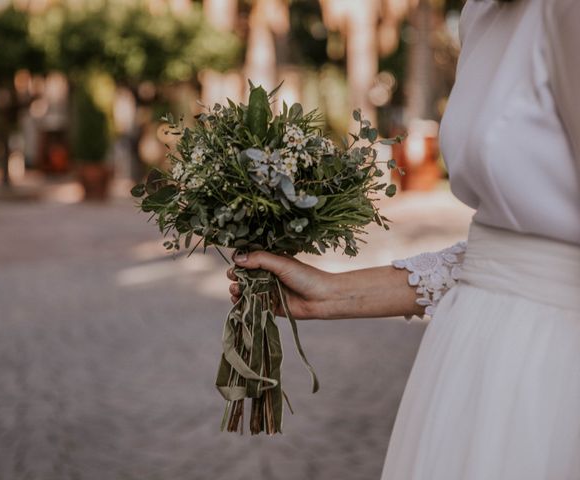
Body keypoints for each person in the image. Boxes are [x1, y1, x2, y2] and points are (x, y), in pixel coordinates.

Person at [227, 0, 580, 478]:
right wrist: (332, 293)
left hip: (552, 364)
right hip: (473, 350)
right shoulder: (482, 13)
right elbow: (504, 257)